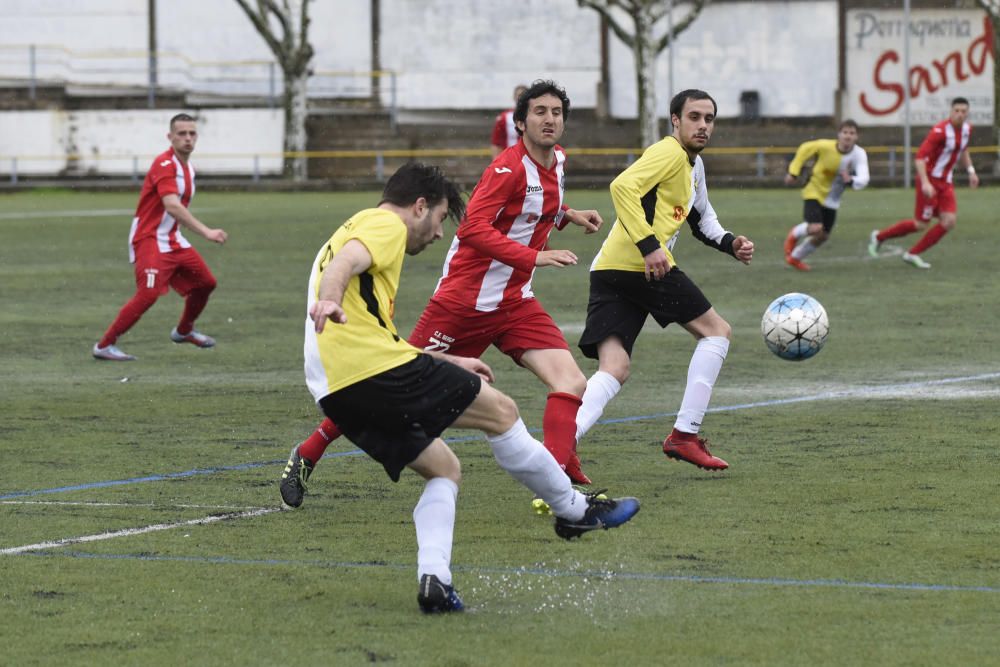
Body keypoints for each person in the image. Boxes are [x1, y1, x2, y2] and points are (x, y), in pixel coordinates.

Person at [302, 161, 639, 613]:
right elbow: (345, 265)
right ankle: (574, 511)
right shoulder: (384, 224)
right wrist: (328, 297)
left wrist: (446, 358)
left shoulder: (349, 229)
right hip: (373, 371)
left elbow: (377, 332)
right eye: (441, 218)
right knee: (502, 413)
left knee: (444, 469)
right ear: (419, 206)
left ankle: (434, 582)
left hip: (338, 388)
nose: (441, 234)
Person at [281, 80, 605, 508]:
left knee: (571, 381)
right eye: (540, 112)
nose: (549, 119)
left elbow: (537, 202)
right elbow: (472, 228)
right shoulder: (505, 169)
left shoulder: (557, 161)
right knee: (382, 387)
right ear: (521, 121)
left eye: (557, 112)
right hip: (462, 303)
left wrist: (568, 214)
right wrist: (532, 256)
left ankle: (557, 484)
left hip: (513, 301)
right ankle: (307, 453)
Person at [573, 89, 754, 472]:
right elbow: (622, 187)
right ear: (675, 120)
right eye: (694, 117)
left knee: (614, 367)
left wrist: (730, 243)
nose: (703, 125)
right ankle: (684, 436)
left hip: (609, 269)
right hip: (644, 266)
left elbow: (703, 219)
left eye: (709, 118)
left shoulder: (694, 166)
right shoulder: (669, 152)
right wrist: (649, 246)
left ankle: (559, 447)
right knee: (716, 332)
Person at [92, 113, 228, 361]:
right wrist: (207, 231)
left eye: (192, 133)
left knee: (206, 283)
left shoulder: (187, 168)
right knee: (148, 293)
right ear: (170, 137)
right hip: (150, 238)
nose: (188, 138)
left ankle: (184, 330)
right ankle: (104, 345)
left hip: (173, 239)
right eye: (181, 134)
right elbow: (172, 206)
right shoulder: (164, 165)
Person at [868, 97, 979, 269]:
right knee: (921, 224)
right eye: (956, 111)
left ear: (967, 113)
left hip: (946, 183)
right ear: (950, 112)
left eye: (963, 111)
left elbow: (963, 149)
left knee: (949, 221)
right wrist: (926, 183)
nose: (960, 114)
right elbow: (920, 158)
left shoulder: (967, 129)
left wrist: (971, 171)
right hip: (929, 181)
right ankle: (879, 236)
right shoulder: (940, 131)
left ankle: (912, 253)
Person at [783, 120, 870, 271]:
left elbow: (864, 178)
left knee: (823, 236)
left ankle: (795, 258)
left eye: (852, 133)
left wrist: (851, 180)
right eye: (845, 132)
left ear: (857, 137)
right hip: (814, 191)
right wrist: (793, 172)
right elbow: (805, 148)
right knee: (816, 228)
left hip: (832, 199)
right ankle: (794, 233)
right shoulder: (825, 146)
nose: (848, 136)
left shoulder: (859, 154)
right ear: (839, 134)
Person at [490, 84, 528, 157]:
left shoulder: (536, 116)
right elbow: (496, 143)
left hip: (531, 160)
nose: (520, 97)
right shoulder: (504, 117)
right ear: (513, 97)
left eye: (523, 95)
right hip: (510, 160)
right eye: (518, 95)